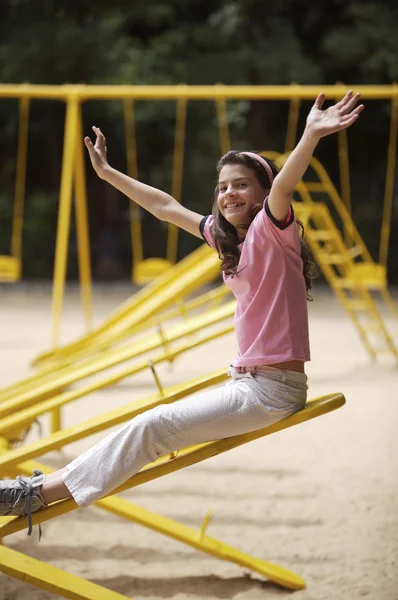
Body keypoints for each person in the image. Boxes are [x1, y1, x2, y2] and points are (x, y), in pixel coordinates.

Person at [0, 91, 364, 535]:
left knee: (152, 426)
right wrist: (108, 172)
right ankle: (37, 487)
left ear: (264, 194)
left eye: (242, 184)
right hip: (248, 381)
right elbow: (165, 207)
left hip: (273, 392)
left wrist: (310, 135)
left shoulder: (273, 229)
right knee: (147, 422)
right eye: (223, 186)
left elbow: (286, 183)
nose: (230, 192)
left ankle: (32, 495)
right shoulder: (226, 239)